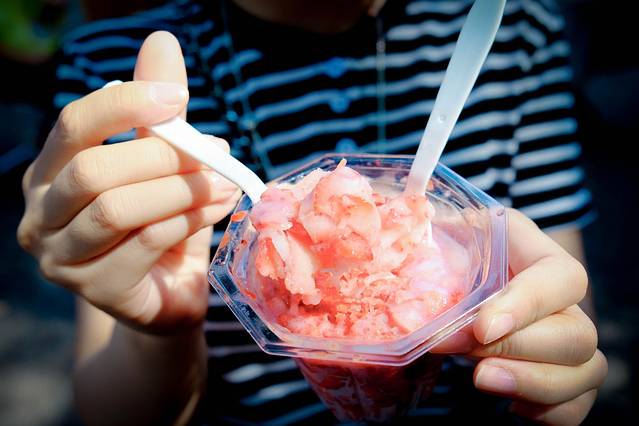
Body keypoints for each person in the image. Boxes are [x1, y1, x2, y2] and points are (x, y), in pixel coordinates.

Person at [17, 0, 607, 424]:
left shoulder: (517, 31)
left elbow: (565, 311)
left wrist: (548, 354)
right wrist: (157, 334)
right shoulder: (110, 67)